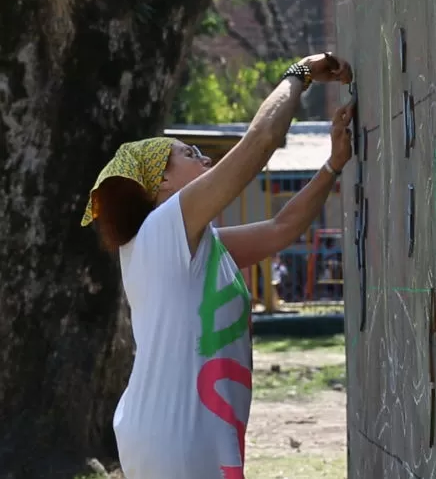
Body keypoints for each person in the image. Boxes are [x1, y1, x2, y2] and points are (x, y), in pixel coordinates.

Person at [79, 53, 354, 479]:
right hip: (172, 436)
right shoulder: (162, 229)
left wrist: (333, 164)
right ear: (162, 183)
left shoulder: (195, 247)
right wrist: (299, 75)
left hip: (187, 432)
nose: (205, 159)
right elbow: (260, 141)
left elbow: (283, 227)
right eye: (189, 153)